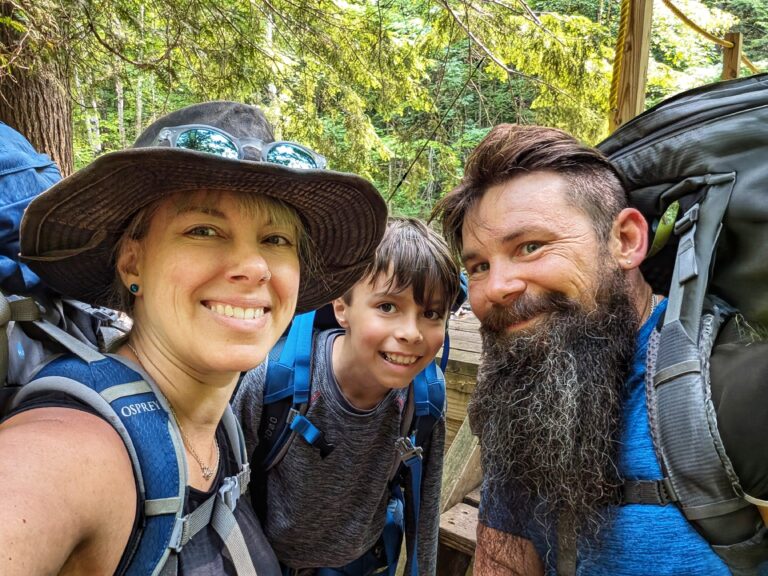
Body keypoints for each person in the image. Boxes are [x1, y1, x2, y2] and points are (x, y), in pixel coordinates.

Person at [0, 101, 387, 575]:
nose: (254, 266)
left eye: (276, 240)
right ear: (132, 264)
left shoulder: (221, 425)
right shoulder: (67, 454)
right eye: (204, 230)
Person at [431, 124, 768, 575]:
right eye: (479, 266)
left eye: (531, 246)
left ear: (625, 241)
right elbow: (501, 559)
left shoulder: (735, 386)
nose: (497, 287)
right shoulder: (519, 388)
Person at [233, 217, 462, 575]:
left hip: (360, 561)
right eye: (387, 306)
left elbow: (426, 503)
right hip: (266, 560)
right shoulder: (276, 382)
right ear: (342, 308)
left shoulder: (425, 399)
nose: (411, 333)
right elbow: (230, 492)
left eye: (431, 314)